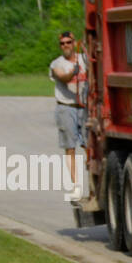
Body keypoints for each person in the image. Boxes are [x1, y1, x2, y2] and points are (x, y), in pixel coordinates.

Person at [49, 32, 87, 192]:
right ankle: (75, 185)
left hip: (84, 108)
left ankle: (93, 183)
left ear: (73, 43)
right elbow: (63, 77)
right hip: (66, 107)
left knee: (89, 145)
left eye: (68, 42)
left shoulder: (83, 59)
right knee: (70, 147)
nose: (65, 46)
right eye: (62, 43)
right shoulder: (56, 63)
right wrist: (73, 72)